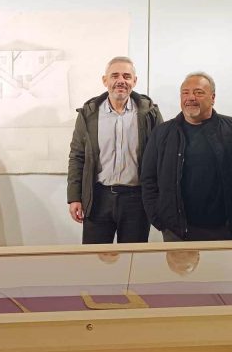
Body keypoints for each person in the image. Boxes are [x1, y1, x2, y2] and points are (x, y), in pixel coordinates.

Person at [141, 72, 232, 242]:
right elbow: (148, 179)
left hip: (226, 231)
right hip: (176, 231)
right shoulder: (162, 133)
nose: (191, 97)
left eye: (199, 92)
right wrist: (159, 220)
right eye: (185, 93)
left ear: (213, 98)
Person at [67, 56, 163, 244]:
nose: (121, 81)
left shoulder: (150, 113)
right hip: (98, 199)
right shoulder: (89, 114)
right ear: (105, 80)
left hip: (137, 200)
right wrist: (74, 197)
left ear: (134, 81)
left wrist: (159, 198)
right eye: (115, 76)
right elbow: (77, 156)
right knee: (96, 258)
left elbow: (161, 157)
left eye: (127, 76)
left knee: (132, 258)